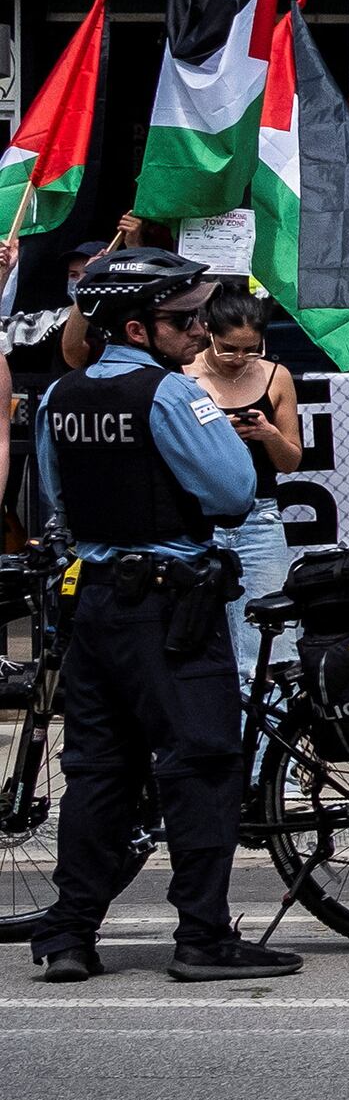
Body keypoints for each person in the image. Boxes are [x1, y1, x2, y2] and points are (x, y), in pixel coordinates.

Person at [27, 249, 298, 985]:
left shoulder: (61, 395)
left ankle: (71, 936)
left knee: (98, 773)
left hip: (95, 604)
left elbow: (57, 500)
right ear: (140, 329)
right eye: (186, 319)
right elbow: (233, 491)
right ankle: (203, 937)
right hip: (170, 605)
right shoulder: (176, 397)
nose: (200, 330)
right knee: (203, 763)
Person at [181, 287, 304, 689]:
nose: (239, 360)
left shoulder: (275, 376)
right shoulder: (183, 377)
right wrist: (218, 435)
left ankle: (264, 748)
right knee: (202, 638)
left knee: (268, 646)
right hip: (200, 518)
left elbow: (291, 460)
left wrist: (268, 434)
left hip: (259, 515)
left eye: (251, 350)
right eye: (228, 349)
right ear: (208, 335)